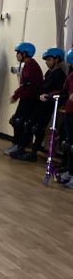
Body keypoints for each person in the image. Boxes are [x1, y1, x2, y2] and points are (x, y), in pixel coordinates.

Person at [6, 42, 44, 159]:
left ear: (25, 53)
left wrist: (15, 95)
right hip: (27, 98)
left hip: (30, 100)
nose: (16, 55)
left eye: (18, 53)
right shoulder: (29, 64)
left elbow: (27, 84)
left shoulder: (30, 65)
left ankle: (19, 146)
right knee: (16, 121)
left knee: (20, 122)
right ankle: (16, 144)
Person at [29, 48, 67, 161]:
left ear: (57, 60)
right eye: (46, 60)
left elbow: (61, 92)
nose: (47, 62)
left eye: (49, 60)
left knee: (39, 128)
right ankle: (29, 149)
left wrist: (48, 96)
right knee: (32, 126)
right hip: (40, 104)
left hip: (48, 105)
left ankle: (34, 153)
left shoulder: (60, 75)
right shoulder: (49, 72)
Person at [60, 49, 73, 188]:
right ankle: (70, 171)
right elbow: (64, 91)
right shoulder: (71, 76)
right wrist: (50, 95)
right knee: (69, 144)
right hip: (69, 112)